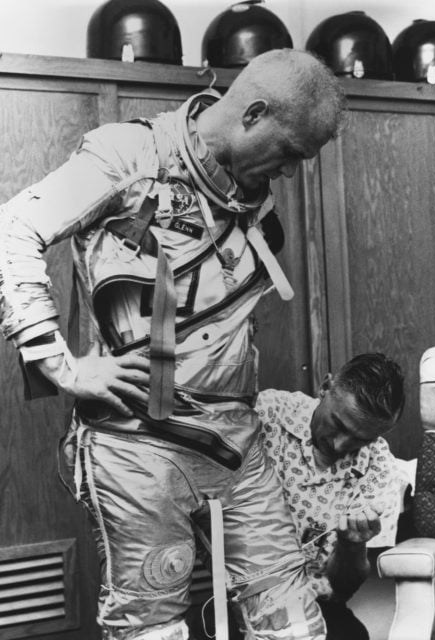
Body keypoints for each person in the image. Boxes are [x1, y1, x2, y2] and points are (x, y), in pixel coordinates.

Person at [0, 49, 346, 640]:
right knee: (153, 627)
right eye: (289, 153)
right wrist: (58, 363)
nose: (289, 173)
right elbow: (14, 229)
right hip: (138, 446)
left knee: (293, 621)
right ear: (253, 114)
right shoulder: (128, 156)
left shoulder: (248, 191)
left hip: (237, 441)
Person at [257, 353, 406, 640]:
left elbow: (342, 588)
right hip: (239, 594)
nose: (341, 444)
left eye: (361, 439)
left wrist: (353, 545)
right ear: (325, 387)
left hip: (316, 607)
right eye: (338, 424)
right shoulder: (265, 414)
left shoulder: (378, 466)